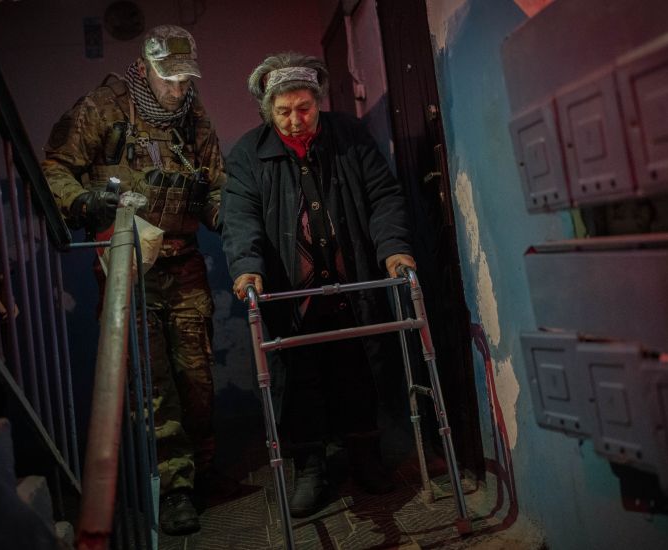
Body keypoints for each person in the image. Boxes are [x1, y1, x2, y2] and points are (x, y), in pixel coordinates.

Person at [41, 25, 225, 535]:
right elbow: (54, 168)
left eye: (186, 80)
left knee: (198, 377)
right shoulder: (102, 108)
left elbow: (216, 183)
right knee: (151, 381)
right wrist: (84, 201)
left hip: (184, 263)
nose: (178, 90)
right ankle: (175, 486)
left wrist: (229, 215)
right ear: (143, 68)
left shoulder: (194, 116)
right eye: (169, 79)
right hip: (128, 263)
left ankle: (203, 469)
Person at [220, 52, 416, 518]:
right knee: (298, 382)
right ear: (268, 111)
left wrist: (393, 248)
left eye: (304, 108)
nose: (295, 120)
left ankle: (364, 456)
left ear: (319, 102)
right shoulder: (249, 153)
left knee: (357, 372)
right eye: (283, 111)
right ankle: (310, 469)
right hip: (291, 297)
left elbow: (383, 195)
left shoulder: (348, 135)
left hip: (351, 288)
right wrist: (247, 267)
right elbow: (239, 216)